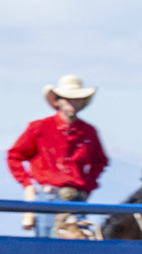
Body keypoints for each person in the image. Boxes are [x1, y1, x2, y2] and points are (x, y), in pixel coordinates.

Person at [8, 75, 108, 235]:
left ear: (83, 102)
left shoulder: (88, 131)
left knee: (80, 250)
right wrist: (27, 185)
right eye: (68, 99)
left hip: (77, 200)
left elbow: (100, 161)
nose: (73, 103)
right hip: (49, 197)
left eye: (77, 99)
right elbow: (15, 155)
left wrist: (88, 186)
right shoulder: (40, 128)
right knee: (48, 251)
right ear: (57, 101)